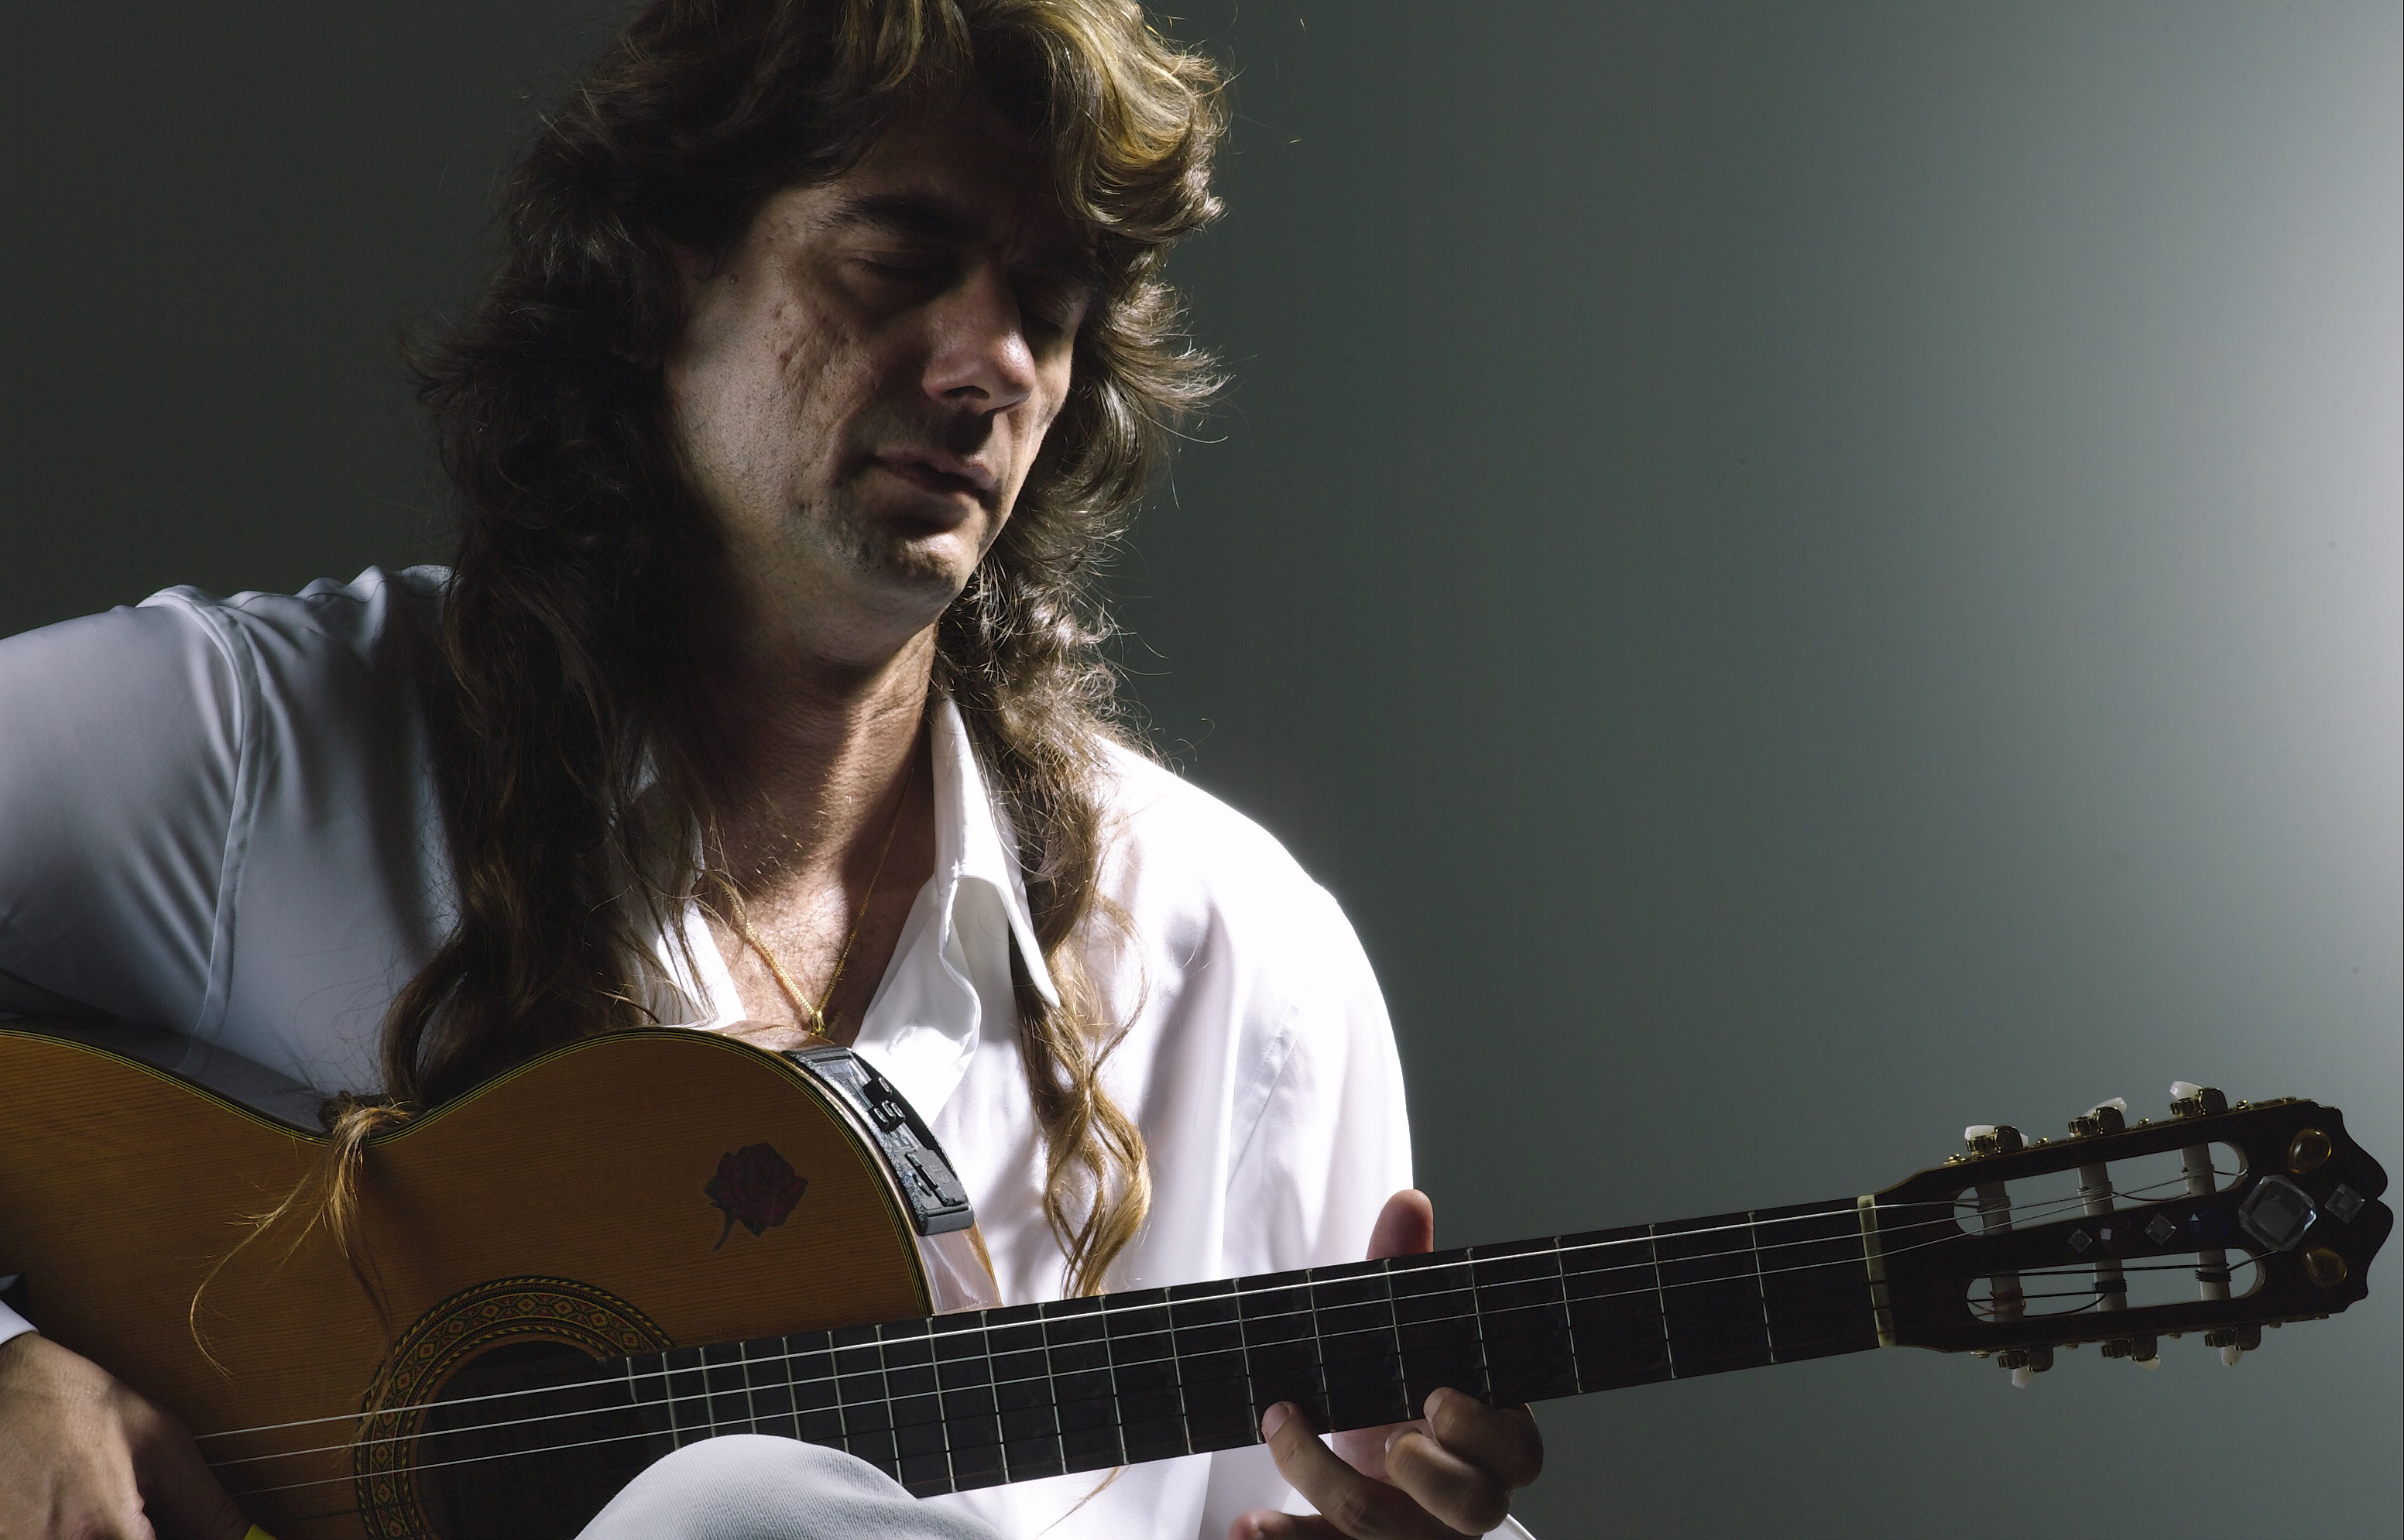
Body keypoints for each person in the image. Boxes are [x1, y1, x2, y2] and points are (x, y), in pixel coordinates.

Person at [0, 2, 1545, 1537]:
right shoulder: (271, 747)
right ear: (663, 270)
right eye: (900, 258)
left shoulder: (1248, 968)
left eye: (1050, 301)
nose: (996, 361)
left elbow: (1314, 1489)